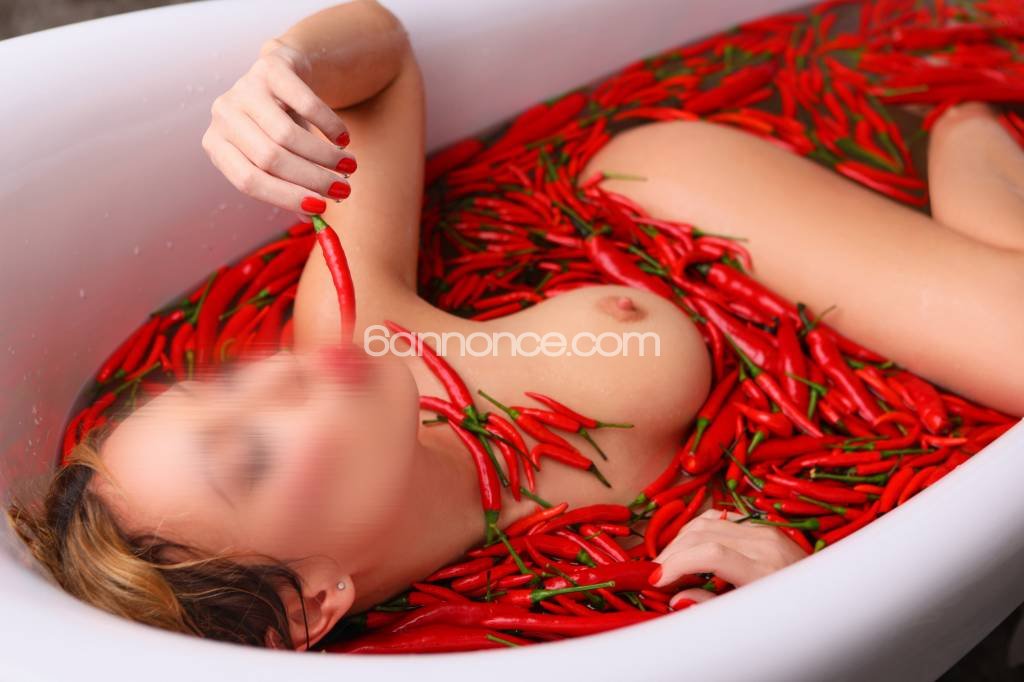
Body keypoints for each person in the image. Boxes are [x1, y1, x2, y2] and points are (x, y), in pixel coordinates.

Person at [8, 0, 1024, 653]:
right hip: (859, 346)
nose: (277, 375)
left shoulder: (361, 332)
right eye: (254, 457)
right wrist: (795, 590)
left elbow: (384, 59)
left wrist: (288, 69)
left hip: (684, 212)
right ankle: (967, 138)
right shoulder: (553, 612)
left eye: (222, 384)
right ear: (312, 603)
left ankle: (957, 116)